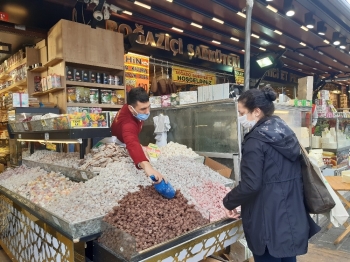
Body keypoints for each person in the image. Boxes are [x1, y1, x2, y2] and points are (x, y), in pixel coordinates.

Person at [223, 86, 320, 262]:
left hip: (267, 223)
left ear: (257, 111)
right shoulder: (286, 132)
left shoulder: (255, 141)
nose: (240, 118)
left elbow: (251, 184)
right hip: (290, 220)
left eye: (241, 112)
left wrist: (228, 201)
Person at [111, 87, 165, 183]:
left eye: (149, 107)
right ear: (131, 109)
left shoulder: (133, 109)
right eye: (143, 109)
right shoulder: (128, 123)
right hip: (116, 146)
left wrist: (140, 147)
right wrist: (148, 167)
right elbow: (131, 142)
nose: (147, 112)